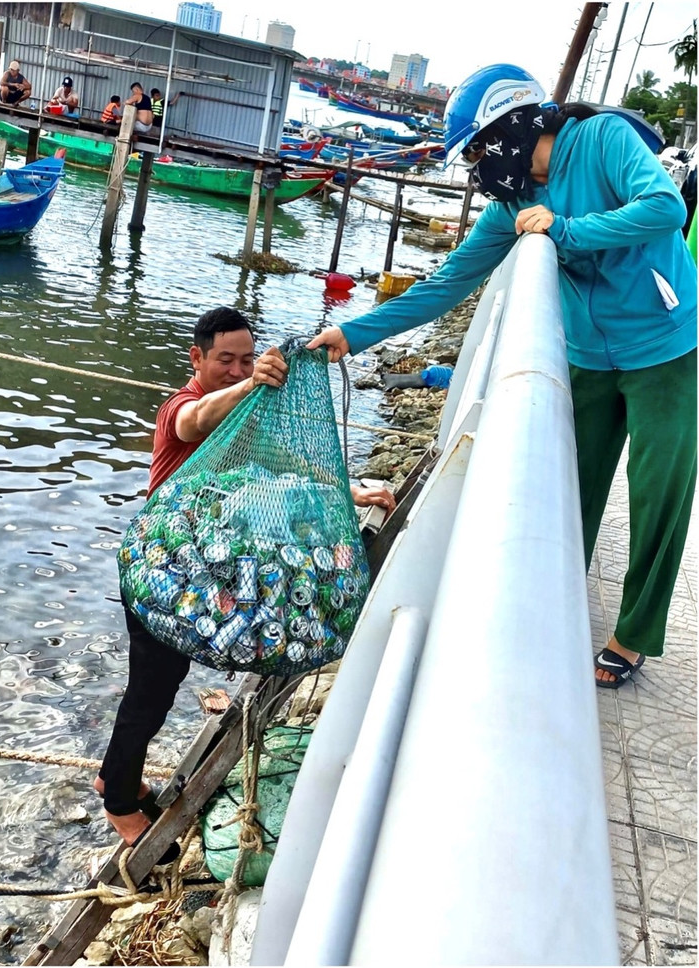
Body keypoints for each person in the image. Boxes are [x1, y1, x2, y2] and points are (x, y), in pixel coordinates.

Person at [308, 63, 697, 691]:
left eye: (480, 152)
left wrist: (567, 230)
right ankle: (559, 607)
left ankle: (634, 634)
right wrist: (352, 335)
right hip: (588, 354)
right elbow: (447, 282)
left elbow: (663, 207)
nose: (479, 170)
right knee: (574, 487)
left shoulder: (601, 141)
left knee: (660, 492)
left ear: (513, 128)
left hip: (666, 343)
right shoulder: (511, 204)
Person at [95, 307, 395, 853]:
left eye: (246, 359)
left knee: (159, 688)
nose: (236, 369)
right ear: (197, 358)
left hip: (202, 581)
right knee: (149, 692)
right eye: (224, 360)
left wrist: (352, 494)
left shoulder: (248, 418)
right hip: (163, 573)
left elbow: (291, 461)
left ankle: (116, 774)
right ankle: (117, 800)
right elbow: (197, 420)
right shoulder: (181, 407)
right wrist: (249, 385)